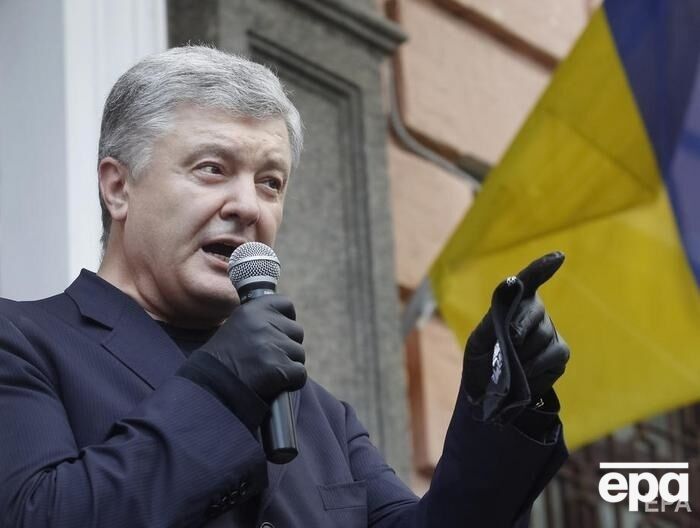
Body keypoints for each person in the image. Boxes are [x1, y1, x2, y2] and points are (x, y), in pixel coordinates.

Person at [0, 45, 570, 527]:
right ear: (118, 187)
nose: (248, 206)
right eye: (212, 168)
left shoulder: (320, 414)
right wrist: (221, 389)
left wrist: (499, 408)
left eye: (270, 182)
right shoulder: (22, 343)